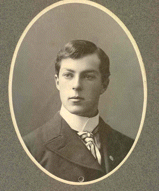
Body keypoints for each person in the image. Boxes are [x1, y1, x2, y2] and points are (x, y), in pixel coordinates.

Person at [23, 40, 134, 182]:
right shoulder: (31, 149)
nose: (76, 85)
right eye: (68, 75)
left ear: (104, 85)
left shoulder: (127, 146)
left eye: (88, 76)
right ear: (57, 82)